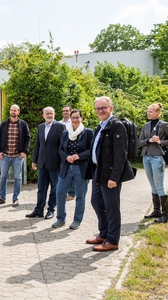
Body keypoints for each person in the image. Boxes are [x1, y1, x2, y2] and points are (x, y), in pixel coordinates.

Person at [86, 96, 135, 251]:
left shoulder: (117, 126)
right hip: (98, 171)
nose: (101, 111)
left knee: (112, 207)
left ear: (110, 108)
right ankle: (104, 233)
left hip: (109, 175)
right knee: (96, 202)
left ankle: (113, 240)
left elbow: (120, 153)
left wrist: (114, 177)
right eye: (98, 108)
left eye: (104, 108)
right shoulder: (100, 126)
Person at [52, 109, 94, 230]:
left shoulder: (88, 133)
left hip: (81, 168)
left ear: (81, 118)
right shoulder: (66, 133)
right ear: (70, 119)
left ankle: (77, 220)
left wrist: (79, 156)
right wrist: (67, 157)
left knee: (80, 195)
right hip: (66, 168)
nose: (75, 120)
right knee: (59, 192)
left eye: (77, 117)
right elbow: (60, 149)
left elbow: (92, 150)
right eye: (73, 118)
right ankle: (60, 219)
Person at [139, 103, 168, 223]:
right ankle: (156, 211)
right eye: (148, 111)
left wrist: (161, 142)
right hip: (146, 157)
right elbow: (140, 141)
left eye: (151, 111)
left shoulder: (163, 125)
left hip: (157, 158)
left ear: (158, 112)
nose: (148, 113)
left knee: (159, 185)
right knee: (153, 185)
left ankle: (165, 215)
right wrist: (148, 140)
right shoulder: (146, 125)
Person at [26, 107, 66, 219]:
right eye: (47, 114)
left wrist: (62, 162)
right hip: (42, 163)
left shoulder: (59, 127)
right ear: (43, 115)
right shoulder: (41, 127)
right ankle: (39, 210)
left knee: (54, 188)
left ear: (54, 114)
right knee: (41, 188)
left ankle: (51, 210)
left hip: (54, 163)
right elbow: (38, 145)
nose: (49, 115)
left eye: (51, 113)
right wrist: (34, 160)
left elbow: (62, 146)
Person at [0, 104, 31, 207]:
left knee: (17, 178)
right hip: (5, 155)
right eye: (12, 110)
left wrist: (24, 152)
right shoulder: (4, 124)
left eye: (15, 110)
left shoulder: (23, 124)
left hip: (17, 156)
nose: (13, 112)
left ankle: (15, 199)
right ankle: (2, 198)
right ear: (10, 111)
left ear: (18, 112)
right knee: (2, 177)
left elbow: (28, 138)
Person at [60, 105, 76, 202]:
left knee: (73, 173)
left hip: (72, 152)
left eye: (67, 111)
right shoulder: (59, 123)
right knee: (63, 173)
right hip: (63, 152)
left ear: (70, 112)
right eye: (63, 111)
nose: (65, 112)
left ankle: (71, 193)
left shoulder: (74, 122)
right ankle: (63, 192)